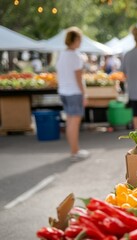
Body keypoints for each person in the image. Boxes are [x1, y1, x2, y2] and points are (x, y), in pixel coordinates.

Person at [56, 27, 90, 160]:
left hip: (64, 91)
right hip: (74, 92)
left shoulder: (62, 54)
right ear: (75, 40)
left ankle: (74, 150)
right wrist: (84, 94)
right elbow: (78, 78)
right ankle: (75, 151)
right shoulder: (75, 55)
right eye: (79, 39)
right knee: (74, 124)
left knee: (70, 122)